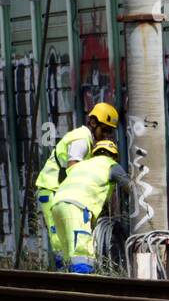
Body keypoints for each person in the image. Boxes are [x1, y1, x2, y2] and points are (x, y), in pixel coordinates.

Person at [34, 102, 118, 268]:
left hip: (57, 191)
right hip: (51, 189)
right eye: (105, 130)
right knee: (60, 240)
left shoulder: (86, 139)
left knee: (67, 239)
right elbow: (73, 169)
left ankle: (68, 275)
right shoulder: (81, 139)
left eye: (110, 132)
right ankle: (66, 277)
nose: (107, 136)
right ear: (93, 123)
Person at [50, 140, 129, 274]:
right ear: (114, 156)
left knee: (66, 254)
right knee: (82, 252)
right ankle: (83, 289)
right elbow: (130, 187)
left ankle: (64, 289)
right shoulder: (111, 165)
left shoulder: (82, 165)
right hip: (77, 207)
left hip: (57, 204)